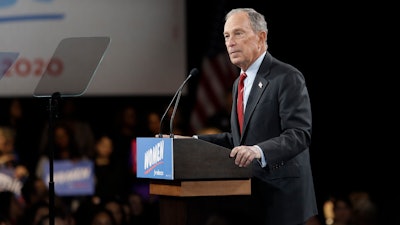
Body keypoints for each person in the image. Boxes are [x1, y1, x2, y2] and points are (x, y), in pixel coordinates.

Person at [176, 8, 318, 225]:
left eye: (238, 33)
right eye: (226, 36)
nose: (230, 42)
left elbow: (299, 134)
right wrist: (192, 142)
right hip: (250, 194)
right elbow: (238, 139)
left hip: (281, 197)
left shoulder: (287, 77)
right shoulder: (238, 84)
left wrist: (258, 150)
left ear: (261, 37)